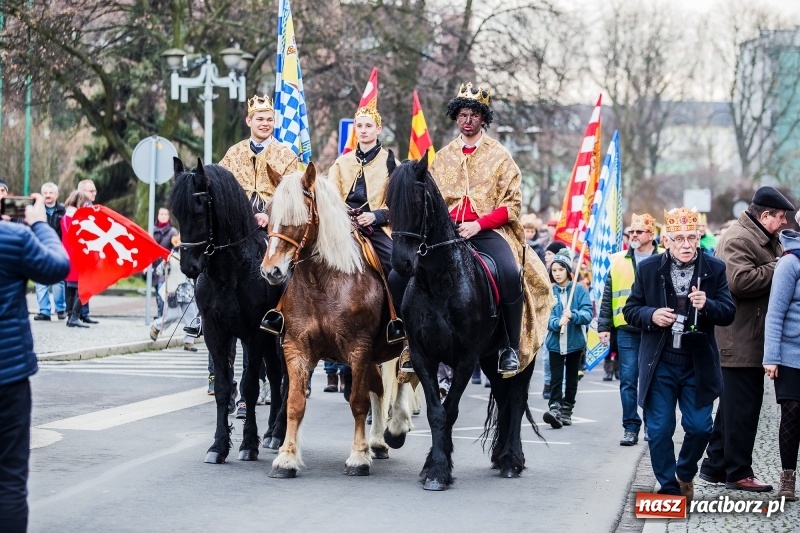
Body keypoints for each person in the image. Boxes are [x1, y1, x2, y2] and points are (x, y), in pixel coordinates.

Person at [623, 207, 735, 501]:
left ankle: (685, 473)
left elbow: (728, 313)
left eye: (691, 238)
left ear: (699, 237)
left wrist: (708, 304)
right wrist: (651, 314)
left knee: (700, 427)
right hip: (660, 362)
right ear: (666, 240)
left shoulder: (715, 269)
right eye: (679, 239)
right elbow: (630, 310)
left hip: (697, 363)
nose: (686, 245)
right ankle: (669, 488)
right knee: (659, 430)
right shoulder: (648, 269)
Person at [700, 186, 794, 492]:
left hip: (744, 337)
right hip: (738, 339)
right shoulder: (739, 238)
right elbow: (738, 282)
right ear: (764, 215)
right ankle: (738, 472)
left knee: (730, 410)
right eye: (780, 217)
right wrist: (779, 267)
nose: (784, 223)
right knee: (743, 409)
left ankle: (714, 467)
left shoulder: (760, 237)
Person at [219, 93, 302, 417]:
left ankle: (287, 312)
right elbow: (222, 191)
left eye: (269, 119)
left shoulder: (286, 155)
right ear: (249, 121)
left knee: (287, 272)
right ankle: (204, 314)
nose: (264, 123)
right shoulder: (233, 154)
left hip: (273, 229)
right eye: (259, 118)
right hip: (239, 231)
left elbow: (296, 193)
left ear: (274, 123)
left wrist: (271, 213)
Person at [0, 192, 70, 533]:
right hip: (8, 375)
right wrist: (40, 223)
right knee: (9, 477)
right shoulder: (14, 239)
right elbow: (57, 266)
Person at [327, 101, 403, 376]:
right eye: (359, 126)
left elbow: (400, 203)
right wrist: (344, 215)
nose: (363, 130)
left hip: (377, 228)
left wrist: (376, 217)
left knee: (397, 266)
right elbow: (329, 197)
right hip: (343, 226)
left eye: (368, 126)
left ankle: (398, 321)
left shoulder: (391, 161)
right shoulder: (341, 162)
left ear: (379, 129)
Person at [598, 213, 663, 446]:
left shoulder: (665, 257)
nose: (633, 235)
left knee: (653, 379)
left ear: (651, 235)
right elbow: (608, 295)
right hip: (626, 328)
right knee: (628, 379)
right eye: (631, 232)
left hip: (656, 328)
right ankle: (630, 427)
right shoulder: (617, 260)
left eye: (638, 232)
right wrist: (603, 326)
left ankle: (651, 426)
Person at [764, 219, 800, 501]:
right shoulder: (790, 263)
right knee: (792, 414)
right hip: (791, 355)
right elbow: (775, 313)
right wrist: (771, 357)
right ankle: (787, 479)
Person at [543, 249, 592, 428]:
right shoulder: (549, 291)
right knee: (556, 378)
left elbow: (588, 314)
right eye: (554, 270)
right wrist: (557, 322)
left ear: (568, 270)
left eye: (560, 270)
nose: (557, 273)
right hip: (555, 343)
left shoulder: (578, 290)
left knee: (571, 378)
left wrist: (573, 315)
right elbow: (544, 317)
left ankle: (567, 409)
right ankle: (554, 407)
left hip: (574, 343)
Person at [149, 235, 200, 352]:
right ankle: (156, 326)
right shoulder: (171, 257)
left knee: (191, 318)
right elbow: (159, 271)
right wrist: (165, 263)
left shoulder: (193, 257)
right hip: (174, 292)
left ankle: (189, 342)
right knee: (171, 316)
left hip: (188, 291)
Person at [33, 182, 67, 321]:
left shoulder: (63, 211)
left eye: (50, 192)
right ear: (42, 195)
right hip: (40, 249)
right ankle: (44, 311)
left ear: (56, 194)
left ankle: (60, 309)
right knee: (40, 281)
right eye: (45, 193)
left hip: (58, 249)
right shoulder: (36, 211)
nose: (48, 195)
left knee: (58, 282)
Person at [60, 191, 92, 329]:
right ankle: (74, 317)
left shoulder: (65, 216)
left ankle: (70, 316)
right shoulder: (77, 218)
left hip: (67, 254)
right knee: (84, 287)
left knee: (70, 287)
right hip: (78, 255)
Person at [75, 179, 99, 324]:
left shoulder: (93, 208)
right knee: (80, 283)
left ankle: (84, 313)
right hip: (80, 251)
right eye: (91, 191)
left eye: (95, 191)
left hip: (91, 251)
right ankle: (74, 314)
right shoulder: (77, 209)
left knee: (89, 282)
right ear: (82, 192)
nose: (94, 193)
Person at [151, 207, 178, 319]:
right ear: (158, 216)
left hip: (166, 265)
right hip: (154, 265)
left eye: (165, 214)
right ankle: (161, 313)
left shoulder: (172, 231)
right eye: (161, 214)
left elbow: (176, 248)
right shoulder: (151, 230)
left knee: (163, 289)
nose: (163, 216)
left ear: (168, 217)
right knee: (157, 290)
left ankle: (161, 315)